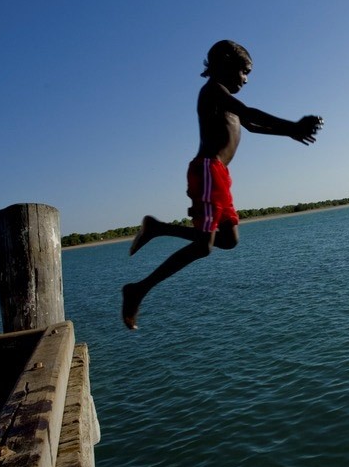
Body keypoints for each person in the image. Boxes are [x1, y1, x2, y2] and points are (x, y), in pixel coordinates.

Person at [121, 40, 323, 329]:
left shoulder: (225, 98)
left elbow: (251, 125)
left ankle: (157, 228)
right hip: (207, 170)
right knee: (204, 247)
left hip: (220, 175)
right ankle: (137, 289)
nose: (246, 79)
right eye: (244, 71)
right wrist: (292, 125)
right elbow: (250, 113)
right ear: (225, 66)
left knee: (229, 240)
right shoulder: (214, 91)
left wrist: (288, 134)